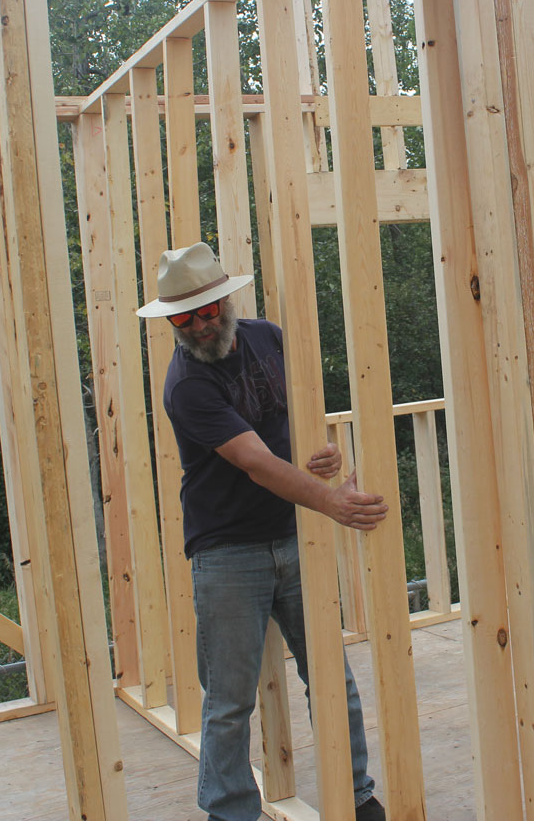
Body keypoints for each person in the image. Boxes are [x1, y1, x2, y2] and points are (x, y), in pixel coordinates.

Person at [137, 241, 389, 821]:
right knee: (229, 700)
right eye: (183, 317)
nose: (200, 326)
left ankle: (356, 797)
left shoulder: (268, 338)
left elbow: (296, 419)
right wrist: (332, 503)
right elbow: (255, 461)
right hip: (226, 549)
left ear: (226, 302)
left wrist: (322, 452)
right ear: (170, 321)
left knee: (332, 674)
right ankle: (229, 812)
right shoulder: (186, 386)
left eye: (207, 311)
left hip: (294, 532)